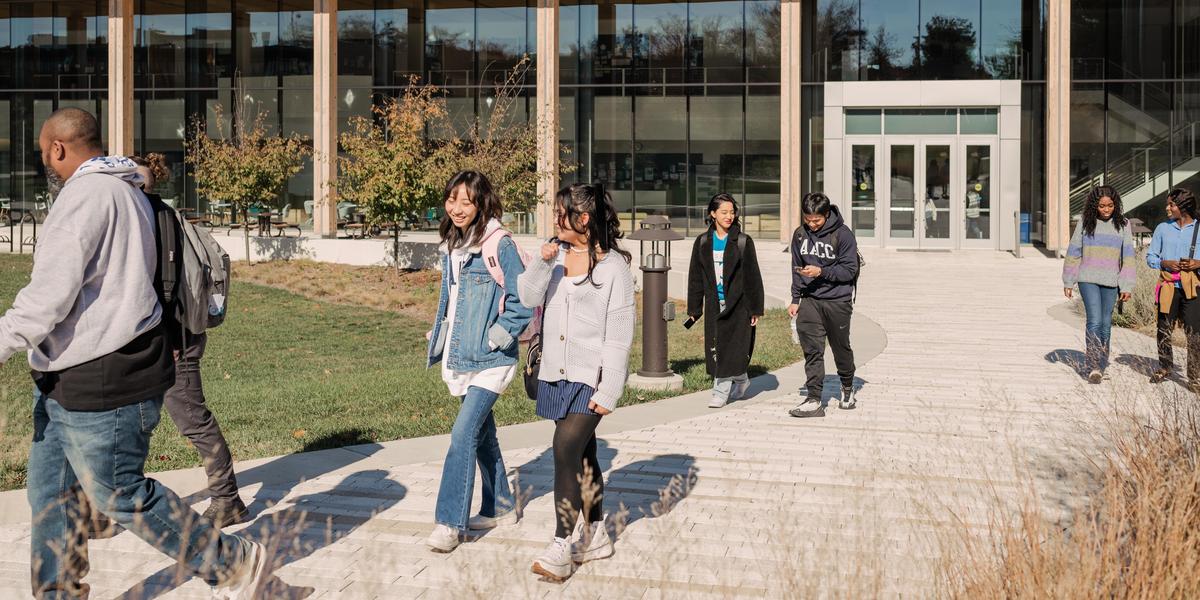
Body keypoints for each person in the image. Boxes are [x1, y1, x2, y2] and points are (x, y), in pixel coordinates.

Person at [11, 108, 266, 599]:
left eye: (45, 151)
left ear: (58, 148)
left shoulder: (84, 199)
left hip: (102, 378)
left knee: (119, 493)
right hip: (69, 379)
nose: (45, 160)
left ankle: (232, 561)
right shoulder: (129, 190)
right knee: (51, 497)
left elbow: (46, 299)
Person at [518, 183, 635, 581]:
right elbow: (527, 297)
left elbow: (619, 334)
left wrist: (610, 390)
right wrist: (540, 261)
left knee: (564, 448)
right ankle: (597, 533)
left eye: (560, 213)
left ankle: (560, 545)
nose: (554, 219)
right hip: (554, 373)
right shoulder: (555, 255)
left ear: (582, 219)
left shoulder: (613, 267)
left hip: (591, 378)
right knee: (584, 455)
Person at [130, 153, 248, 527]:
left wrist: (170, 341)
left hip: (173, 339)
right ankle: (122, 496)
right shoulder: (152, 216)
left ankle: (228, 499)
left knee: (193, 419)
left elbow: (164, 289)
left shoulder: (156, 220)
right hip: (155, 340)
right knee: (131, 420)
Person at [424, 170, 534, 553]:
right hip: (460, 355)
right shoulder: (454, 243)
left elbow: (521, 301)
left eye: (466, 201)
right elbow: (454, 299)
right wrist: (442, 333)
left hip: (491, 358)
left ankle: (449, 523)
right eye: (452, 199)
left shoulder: (498, 243)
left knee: (462, 434)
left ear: (481, 203)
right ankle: (500, 504)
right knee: (482, 434)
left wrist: (494, 337)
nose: (456, 208)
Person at [686, 193, 765, 408]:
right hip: (714, 305)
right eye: (724, 212)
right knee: (718, 348)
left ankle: (720, 392)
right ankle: (740, 380)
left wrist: (755, 309)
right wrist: (694, 307)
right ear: (712, 214)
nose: (729, 216)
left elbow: (753, 277)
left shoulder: (742, 242)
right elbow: (695, 276)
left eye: (732, 212)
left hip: (738, 305)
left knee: (735, 348)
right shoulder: (702, 242)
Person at [787, 192, 859, 419]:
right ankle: (813, 399)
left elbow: (850, 270)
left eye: (816, 220)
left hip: (837, 300)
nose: (811, 224)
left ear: (826, 215)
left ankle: (847, 387)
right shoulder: (800, 235)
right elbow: (796, 267)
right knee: (812, 351)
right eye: (807, 219)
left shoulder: (843, 235)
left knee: (840, 347)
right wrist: (795, 298)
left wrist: (822, 271)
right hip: (810, 299)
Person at [1062, 185, 1136, 384]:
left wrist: (1126, 285)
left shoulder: (1123, 224)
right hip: (1088, 279)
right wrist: (1069, 280)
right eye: (1102, 206)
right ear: (1095, 205)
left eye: (1110, 206)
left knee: (1105, 323)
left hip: (1111, 280)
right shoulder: (1085, 223)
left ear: (1115, 205)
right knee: (1094, 320)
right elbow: (1074, 250)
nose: (1106, 210)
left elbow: (1128, 256)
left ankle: (1102, 362)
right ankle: (1093, 364)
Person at [1146, 187, 1199, 385]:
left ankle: (1195, 376)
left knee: (1194, 332)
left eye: (1171, 204)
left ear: (1183, 207)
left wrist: (1197, 263)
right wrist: (1163, 263)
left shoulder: (1199, 228)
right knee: (1163, 329)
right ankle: (1165, 367)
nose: (1167, 207)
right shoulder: (1162, 228)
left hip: (1193, 287)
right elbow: (1150, 256)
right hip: (1168, 286)